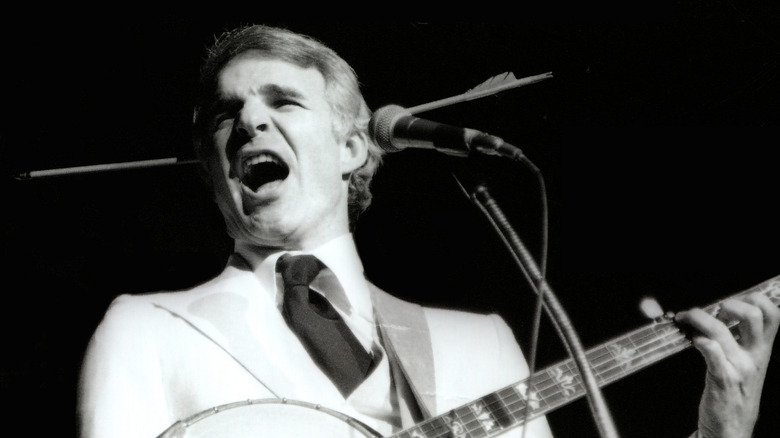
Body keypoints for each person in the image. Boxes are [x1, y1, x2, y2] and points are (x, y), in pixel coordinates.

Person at [77, 24, 779, 438]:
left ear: (353, 147)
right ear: (210, 167)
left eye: (283, 100)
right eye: (226, 117)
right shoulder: (146, 328)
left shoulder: (479, 342)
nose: (252, 123)